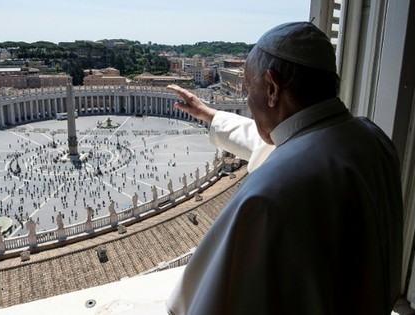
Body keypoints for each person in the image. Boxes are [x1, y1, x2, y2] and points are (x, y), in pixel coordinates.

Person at [166, 22, 403, 314]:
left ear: (273, 88)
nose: (247, 101)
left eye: (248, 87)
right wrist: (211, 115)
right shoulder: (372, 137)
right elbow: (286, 142)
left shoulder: (267, 194)